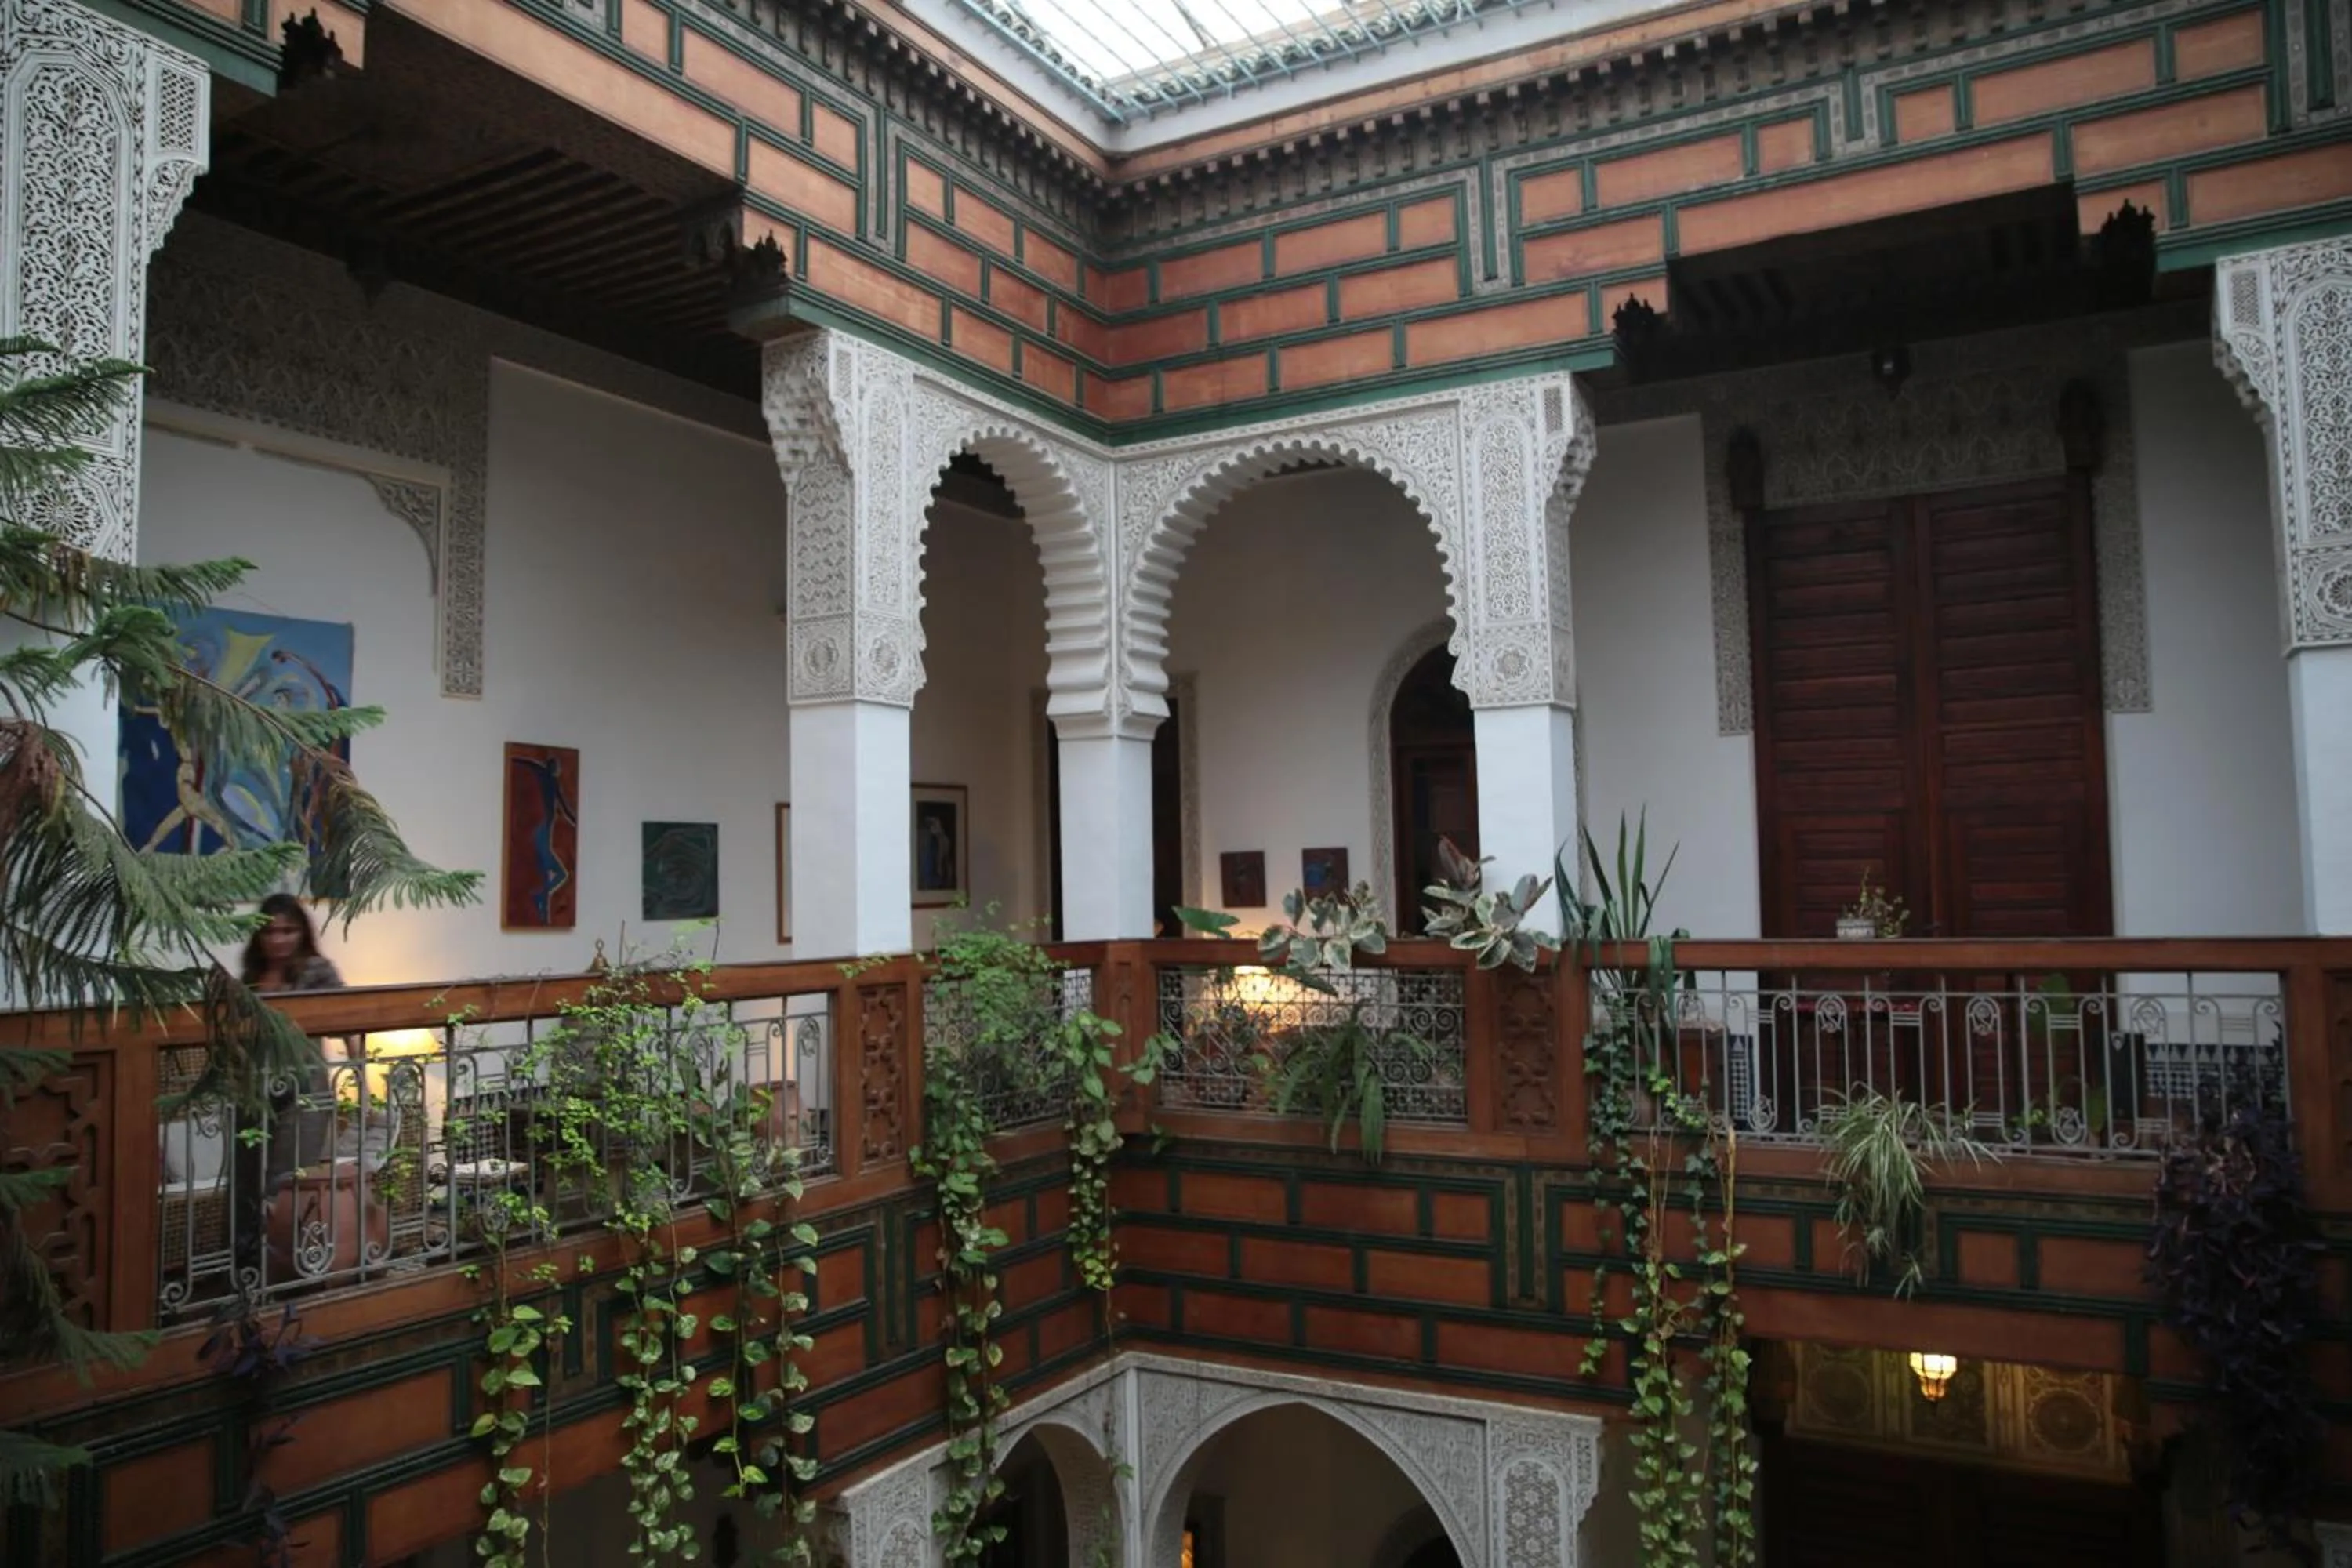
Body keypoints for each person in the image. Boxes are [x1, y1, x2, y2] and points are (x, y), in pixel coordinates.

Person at [232, 895, 350, 1282]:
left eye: (287, 930)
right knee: (246, 1184)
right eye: (269, 931)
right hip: (253, 1089)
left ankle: (287, 1270)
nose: (278, 939)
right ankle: (248, 1271)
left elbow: (350, 1015)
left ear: (302, 933)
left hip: (306, 1088)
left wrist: (361, 1072)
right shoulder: (249, 976)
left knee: (286, 1181)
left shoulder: (317, 971)